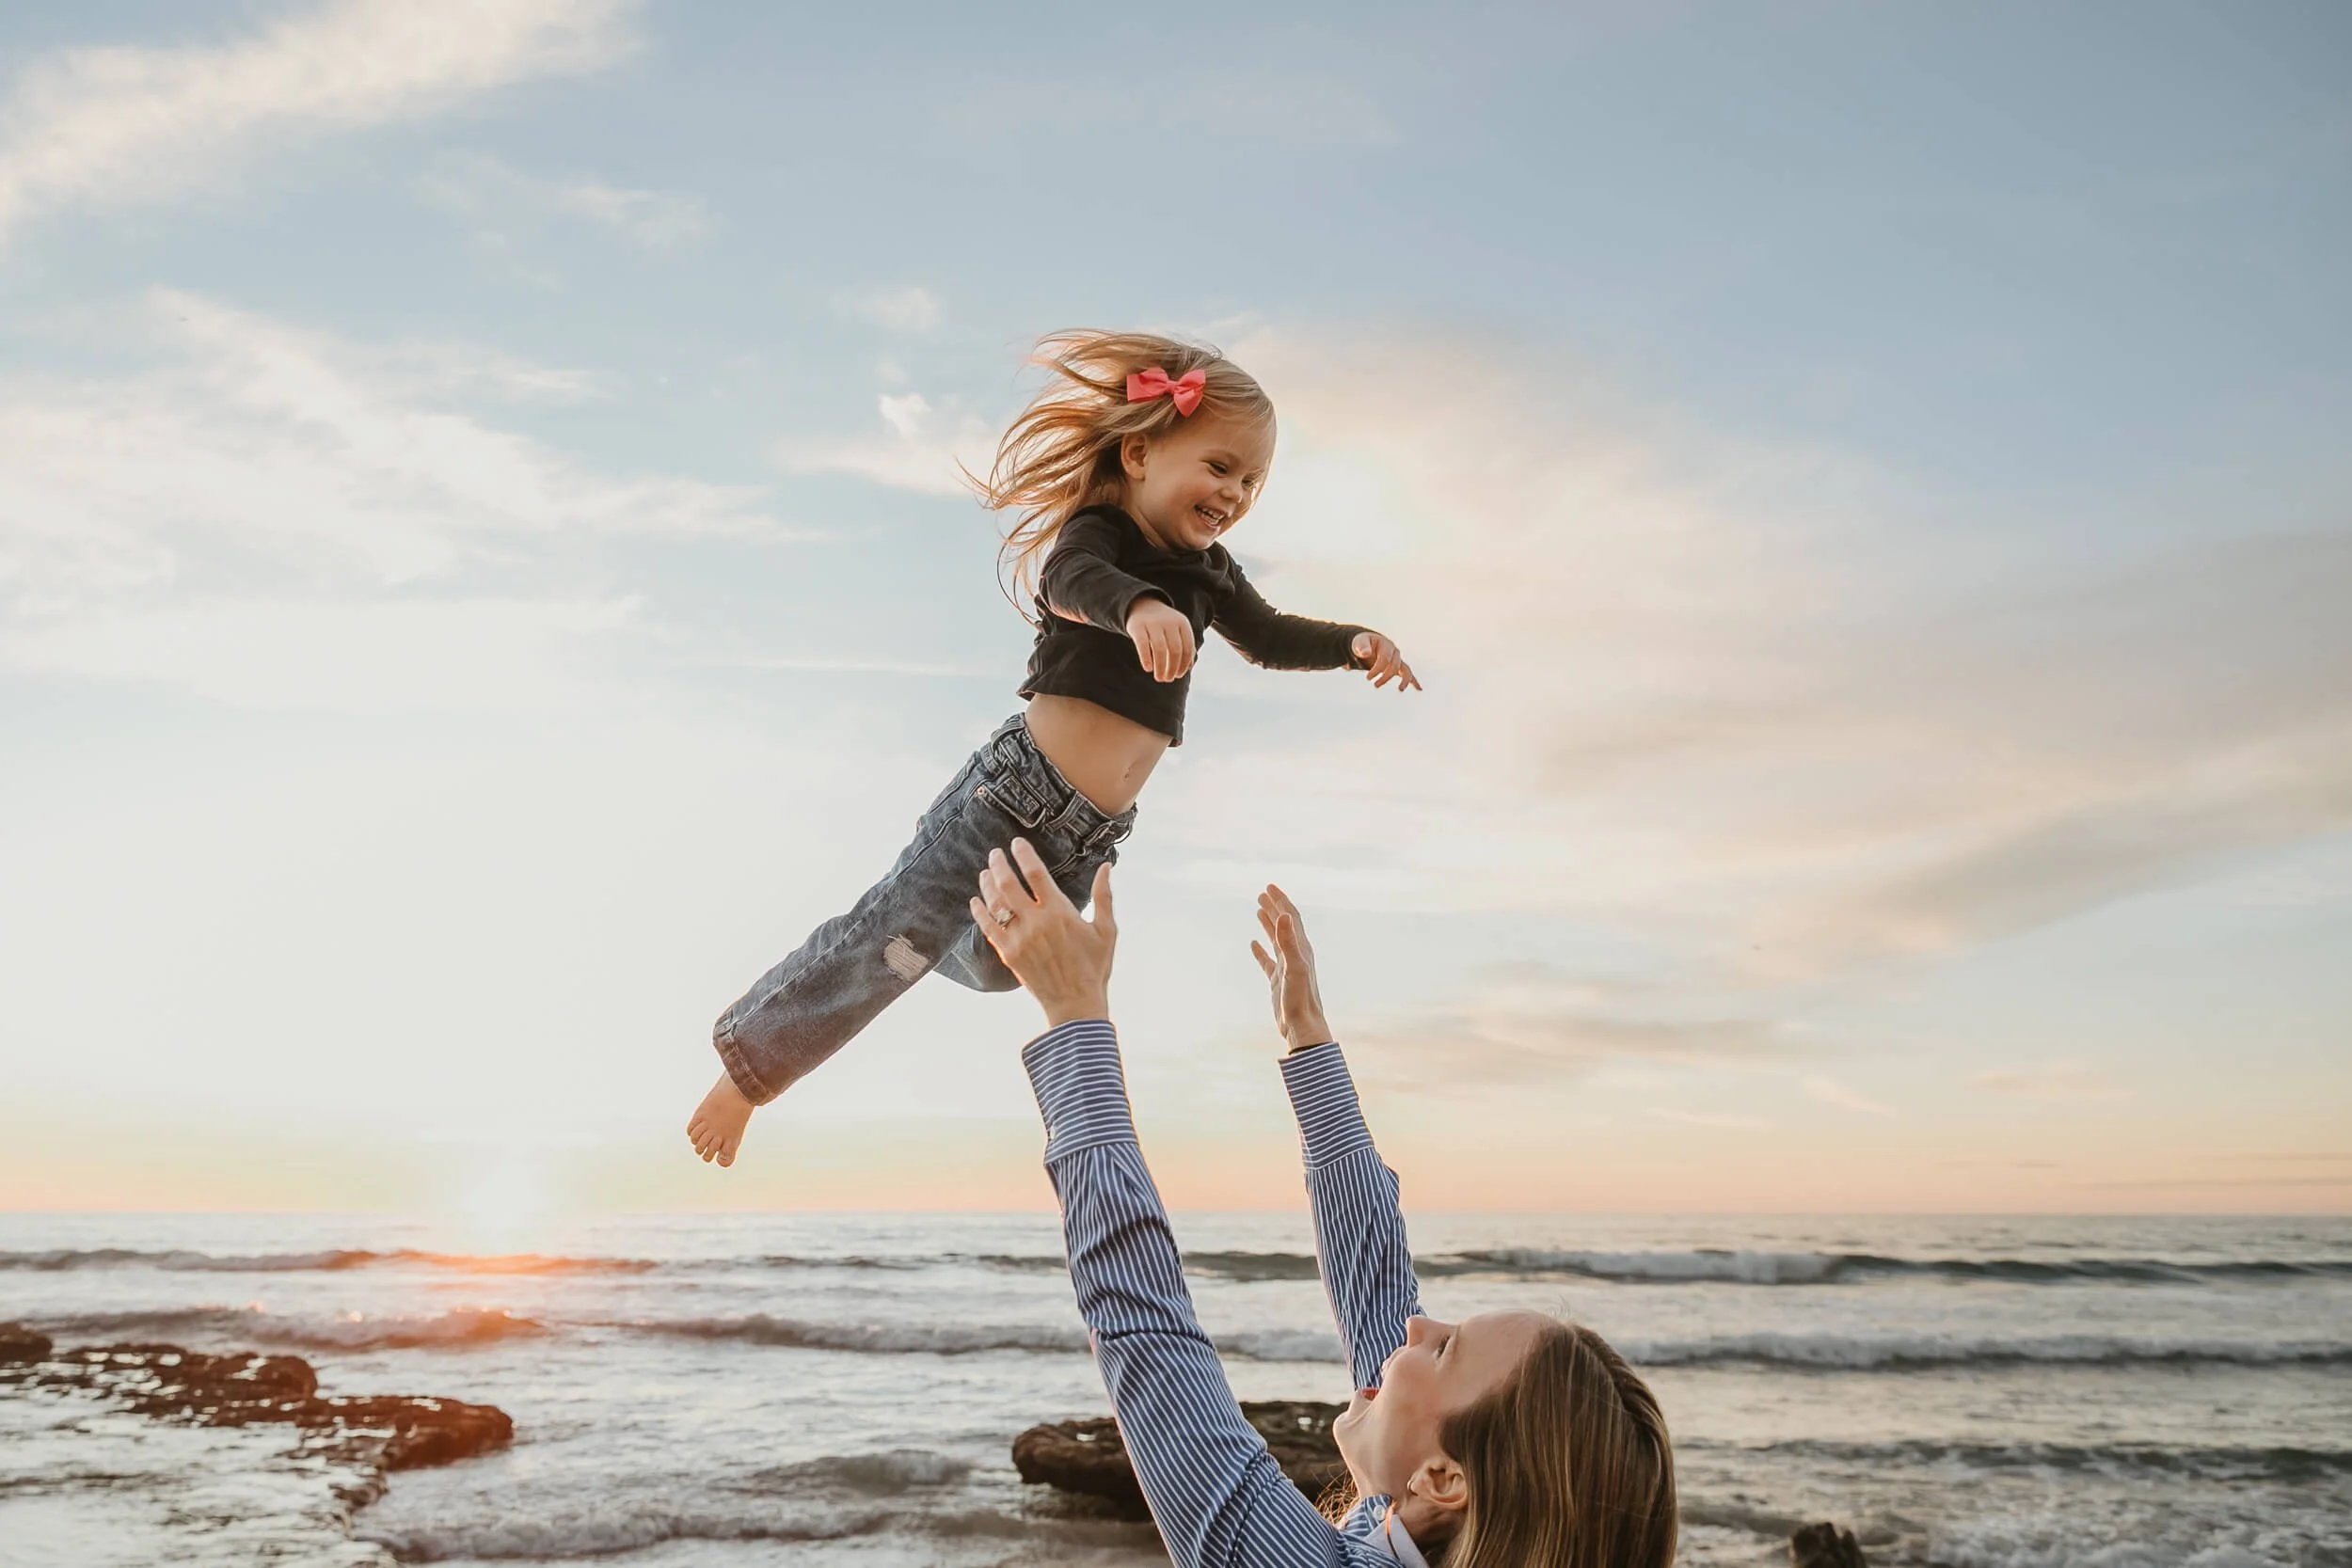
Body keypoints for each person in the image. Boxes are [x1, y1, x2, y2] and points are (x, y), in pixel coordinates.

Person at [690, 330, 1421, 1166]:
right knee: (887, 944)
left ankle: (923, 928)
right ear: (1141, 452)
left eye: (1252, 480)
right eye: (1219, 467)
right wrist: (1138, 607)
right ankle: (747, 1071)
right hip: (1008, 799)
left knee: (1002, 970)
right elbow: (1069, 584)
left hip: (1091, 833)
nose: (1236, 492)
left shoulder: (1214, 572)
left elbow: (1271, 635)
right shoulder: (1100, 535)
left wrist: (1355, 641)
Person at [972, 839, 1678, 1568]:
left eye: (1444, 1347)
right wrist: (1306, 1037)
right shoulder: (1421, 1523)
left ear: (1444, 1480)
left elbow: (1147, 1328)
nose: (1414, 1323)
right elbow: (1374, 1272)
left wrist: (1075, 1013)